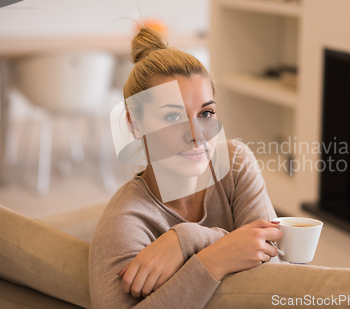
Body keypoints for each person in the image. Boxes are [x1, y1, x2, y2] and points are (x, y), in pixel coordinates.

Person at [89, 27, 283, 309]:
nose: (197, 134)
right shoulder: (126, 223)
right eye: (172, 116)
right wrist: (213, 260)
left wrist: (190, 238)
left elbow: (276, 273)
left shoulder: (235, 163)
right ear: (135, 124)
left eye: (206, 114)